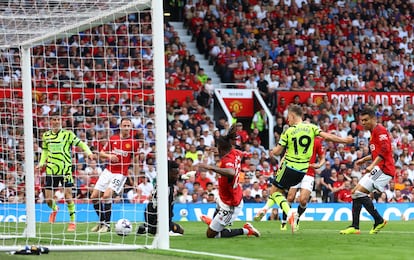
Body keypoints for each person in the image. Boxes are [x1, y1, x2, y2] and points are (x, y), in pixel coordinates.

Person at [254, 105, 353, 232]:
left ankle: (288, 213)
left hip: (289, 166)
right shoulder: (311, 128)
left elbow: (278, 152)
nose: (287, 119)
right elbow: (328, 137)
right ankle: (266, 210)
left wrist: (272, 150)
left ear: (293, 116)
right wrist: (344, 140)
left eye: (288, 117)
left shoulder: (288, 131)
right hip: (302, 171)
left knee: (274, 192)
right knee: (285, 195)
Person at [198, 125, 260, 238]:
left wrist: (210, 167)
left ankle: (246, 230)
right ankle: (213, 223)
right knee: (216, 214)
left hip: (231, 203)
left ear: (221, 149)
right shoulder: (235, 152)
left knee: (211, 235)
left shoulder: (227, 160)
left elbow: (231, 172)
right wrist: (216, 150)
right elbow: (237, 152)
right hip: (224, 196)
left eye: (217, 147)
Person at [36, 112, 95, 232]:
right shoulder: (46, 136)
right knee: (48, 200)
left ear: (61, 121)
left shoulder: (68, 134)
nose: (57, 121)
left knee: (68, 196)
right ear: (51, 121)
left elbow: (81, 144)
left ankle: (72, 221)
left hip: (66, 170)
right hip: (51, 170)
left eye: (58, 119)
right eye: (54, 119)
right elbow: (45, 151)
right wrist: (42, 163)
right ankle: (55, 209)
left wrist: (89, 152)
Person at [340, 108, 395, 235]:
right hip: (378, 168)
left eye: (366, 120)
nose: (363, 123)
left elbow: (386, 149)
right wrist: (364, 159)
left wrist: (372, 165)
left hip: (384, 169)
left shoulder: (379, 130)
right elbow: (376, 152)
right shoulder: (372, 132)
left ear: (373, 119)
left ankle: (379, 220)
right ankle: (355, 227)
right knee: (355, 193)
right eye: (362, 120)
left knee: (359, 192)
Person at [90, 118, 139, 233]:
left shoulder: (134, 143)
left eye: (128, 126)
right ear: (120, 126)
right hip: (108, 171)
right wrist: (109, 157)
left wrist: (135, 180)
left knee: (107, 196)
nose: (127, 128)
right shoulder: (113, 139)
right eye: (125, 125)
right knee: (94, 197)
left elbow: (136, 161)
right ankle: (101, 222)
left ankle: (106, 225)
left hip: (120, 174)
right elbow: (101, 153)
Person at [280, 136, 326, 231]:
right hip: (295, 171)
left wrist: (319, 165)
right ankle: (284, 221)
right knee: (290, 198)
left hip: (308, 173)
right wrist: (282, 165)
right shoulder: (296, 139)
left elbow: (322, 157)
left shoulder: (316, 142)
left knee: (303, 200)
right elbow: (287, 153)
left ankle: (297, 217)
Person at [136, 160, 184, 236]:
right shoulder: (167, 189)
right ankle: (153, 228)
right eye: (176, 174)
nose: (177, 176)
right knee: (179, 231)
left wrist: (183, 176)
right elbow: (164, 208)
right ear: (169, 173)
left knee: (180, 229)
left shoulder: (162, 182)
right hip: (158, 217)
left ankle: (148, 227)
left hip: (150, 213)